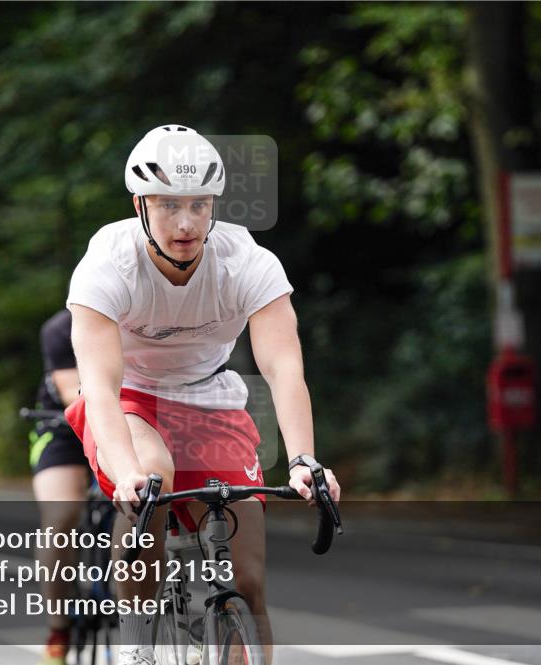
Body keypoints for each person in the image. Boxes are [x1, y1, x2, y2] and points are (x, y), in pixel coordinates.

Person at [63, 124, 341, 665]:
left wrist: (305, 458)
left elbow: (284, 368)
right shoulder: (107, 263)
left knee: (249, 582)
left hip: (210, 397)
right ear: (140, 204)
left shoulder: (247, 262)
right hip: (131, 398)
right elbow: (98, 387)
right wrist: (126, 475)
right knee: (152, 473)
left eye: (199, 205)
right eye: (168, 205)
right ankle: (137, 638)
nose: (186, 223)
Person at [28, 308, 90, 665]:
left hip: (131, 421)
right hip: (63, 426)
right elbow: (74, 395)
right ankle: (58, 627)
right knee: (62, 516)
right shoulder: (58, 328)